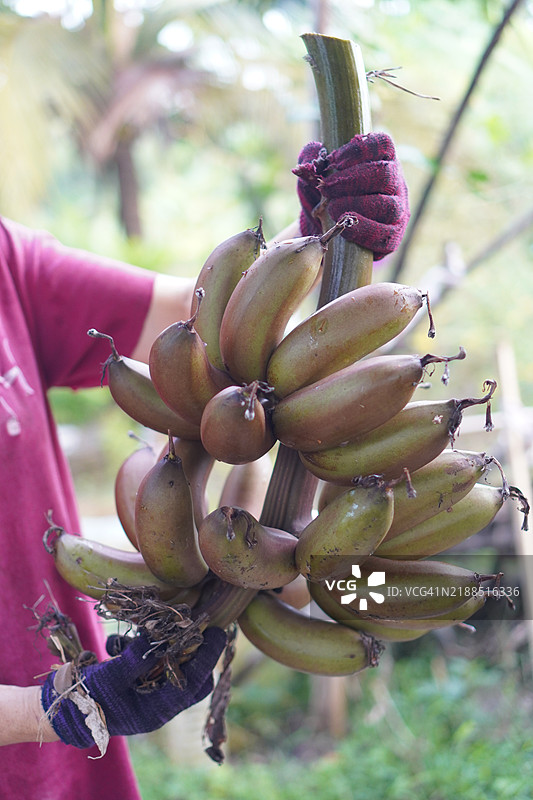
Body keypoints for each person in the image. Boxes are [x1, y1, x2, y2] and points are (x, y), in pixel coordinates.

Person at [0, 130, 409, 799]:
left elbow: (197, 322)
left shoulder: (4, 261)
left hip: (69, 775)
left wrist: (317, 229)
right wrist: (43, 712)